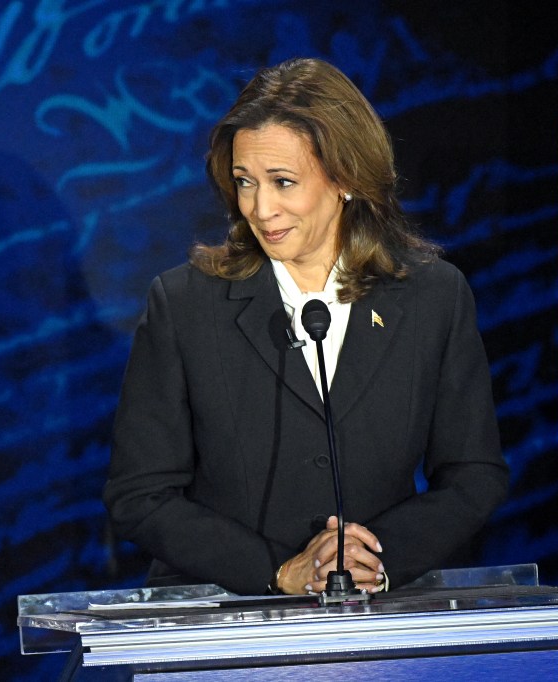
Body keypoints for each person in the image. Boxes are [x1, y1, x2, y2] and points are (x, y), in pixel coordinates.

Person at [103, 57, 509, 596]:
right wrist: (279, 571)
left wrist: (376, 558)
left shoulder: (433, 296)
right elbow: (140, 495)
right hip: (225, 622)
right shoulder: (185, 303)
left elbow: (473, 474)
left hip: (376, 629)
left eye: (283, 182)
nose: (259, 208)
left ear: (345, 178)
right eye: (245, 182)